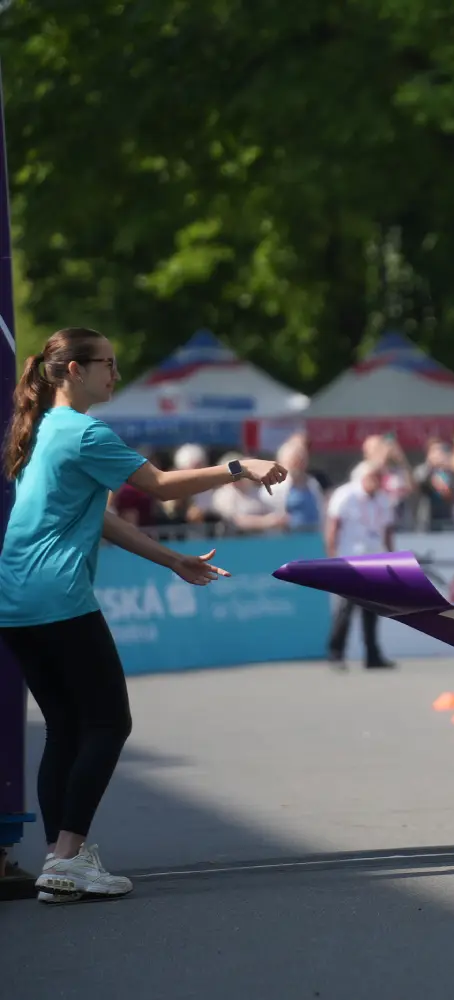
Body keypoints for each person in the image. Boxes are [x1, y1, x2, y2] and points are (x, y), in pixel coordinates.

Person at [0, 328, 287, 903]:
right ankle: (66, 857)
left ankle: (65, 859)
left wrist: (171, 558)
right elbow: (158, 487)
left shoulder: (42, 431)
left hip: (16, 599)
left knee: (65, 727)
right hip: (59, 597)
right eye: (107, 364)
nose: (116, 374)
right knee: (109, 723)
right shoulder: (84, 432)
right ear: (74, 371)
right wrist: (239, 467)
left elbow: (100, 519)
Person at [324, 460, 397, 669]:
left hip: (374, 559)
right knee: (346, 608)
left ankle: (372, 655)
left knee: (372, 609)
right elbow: (333, 527)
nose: (377, 481)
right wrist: (331, 557)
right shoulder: (345, 495)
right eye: (373, 477)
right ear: (362, 477)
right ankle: (336, 653)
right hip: (350, 559)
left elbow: (388, 531)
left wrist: (392, 557)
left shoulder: (383, 499)